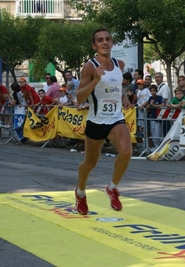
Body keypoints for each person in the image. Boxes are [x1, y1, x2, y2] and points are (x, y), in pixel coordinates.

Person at [75, 28, 132, 215]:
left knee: (126, 151)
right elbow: (79, 98)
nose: (104, 42)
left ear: (112, 42)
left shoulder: (119, 64)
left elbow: (114, 85)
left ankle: (112, 187)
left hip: (116, 118)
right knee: (90, 163)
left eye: (107, 39)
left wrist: (123, 95)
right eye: (100, 40)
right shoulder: (90, 67)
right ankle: (80, 192)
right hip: (96, 120)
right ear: (94, 45)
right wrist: (95, 81)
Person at [146, 84, 164, 150]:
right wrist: (150, 104)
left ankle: (160, 147)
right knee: (153, 133)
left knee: (158, 133)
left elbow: (162, 105)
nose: (152, 92)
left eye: (154, 91)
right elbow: (147, 108)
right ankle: (156, 147)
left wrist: (154, 105)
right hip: (152, 118)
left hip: (158, 118)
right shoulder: (150, 98)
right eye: (151, 91)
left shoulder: (159, 97)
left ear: (156, 91)